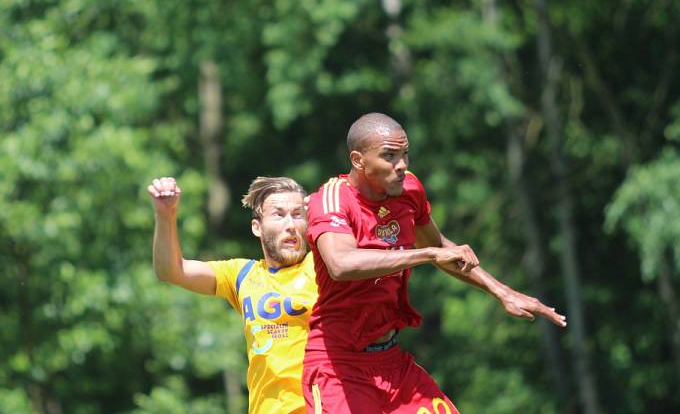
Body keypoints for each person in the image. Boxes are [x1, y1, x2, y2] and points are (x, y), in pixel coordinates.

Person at [303, 112, 567, 413]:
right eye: (389, 156)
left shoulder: (409, 190)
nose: (402, 165)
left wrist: (502, 291)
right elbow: (341, 263)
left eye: (405, 154)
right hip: (338, 367)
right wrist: (426, 256)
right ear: (358, 160)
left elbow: (440, 247)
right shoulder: (331, 200)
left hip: (391, 362)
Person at [149, 175, 315, 414]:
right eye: (279, 215)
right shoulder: (242, 275)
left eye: (298, 215)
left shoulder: (323, 267)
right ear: (256, 227)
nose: (291, 224)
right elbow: (171, 271)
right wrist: (166, 215)